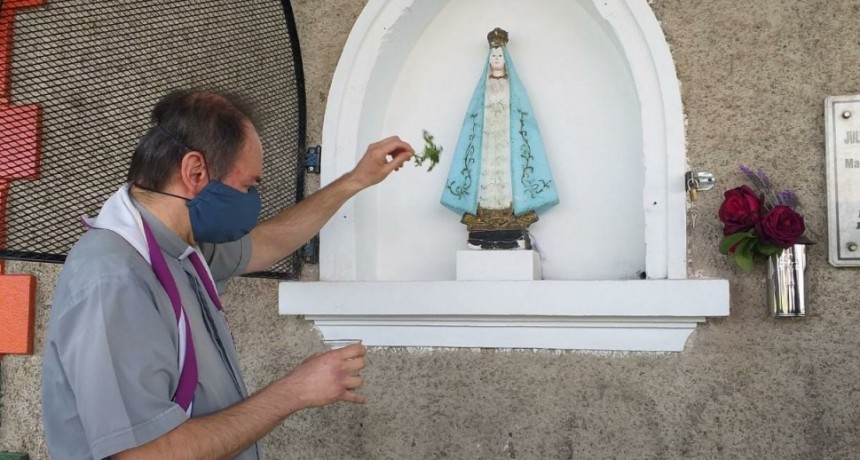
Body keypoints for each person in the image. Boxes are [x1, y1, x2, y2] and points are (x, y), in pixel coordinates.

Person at [40, 90, 414, 459]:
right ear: (195, 172)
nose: (252, 199)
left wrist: (355, 180)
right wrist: (294, 391)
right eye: (247, 186)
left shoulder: (183, 248)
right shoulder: (114, 277)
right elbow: (144, 455)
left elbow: (269, 241)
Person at [440, 27, 559, 250]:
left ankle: (512, 220)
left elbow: (522, 118)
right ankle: (483, 221)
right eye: (493, 55)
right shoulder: (482, 89)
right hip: (487, 140)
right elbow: (475, 118)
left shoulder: (514, 88)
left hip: (507, 138)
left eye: (500, 55)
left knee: (507, 175)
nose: (496, 59)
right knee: (485, 175)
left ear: (506, 59)